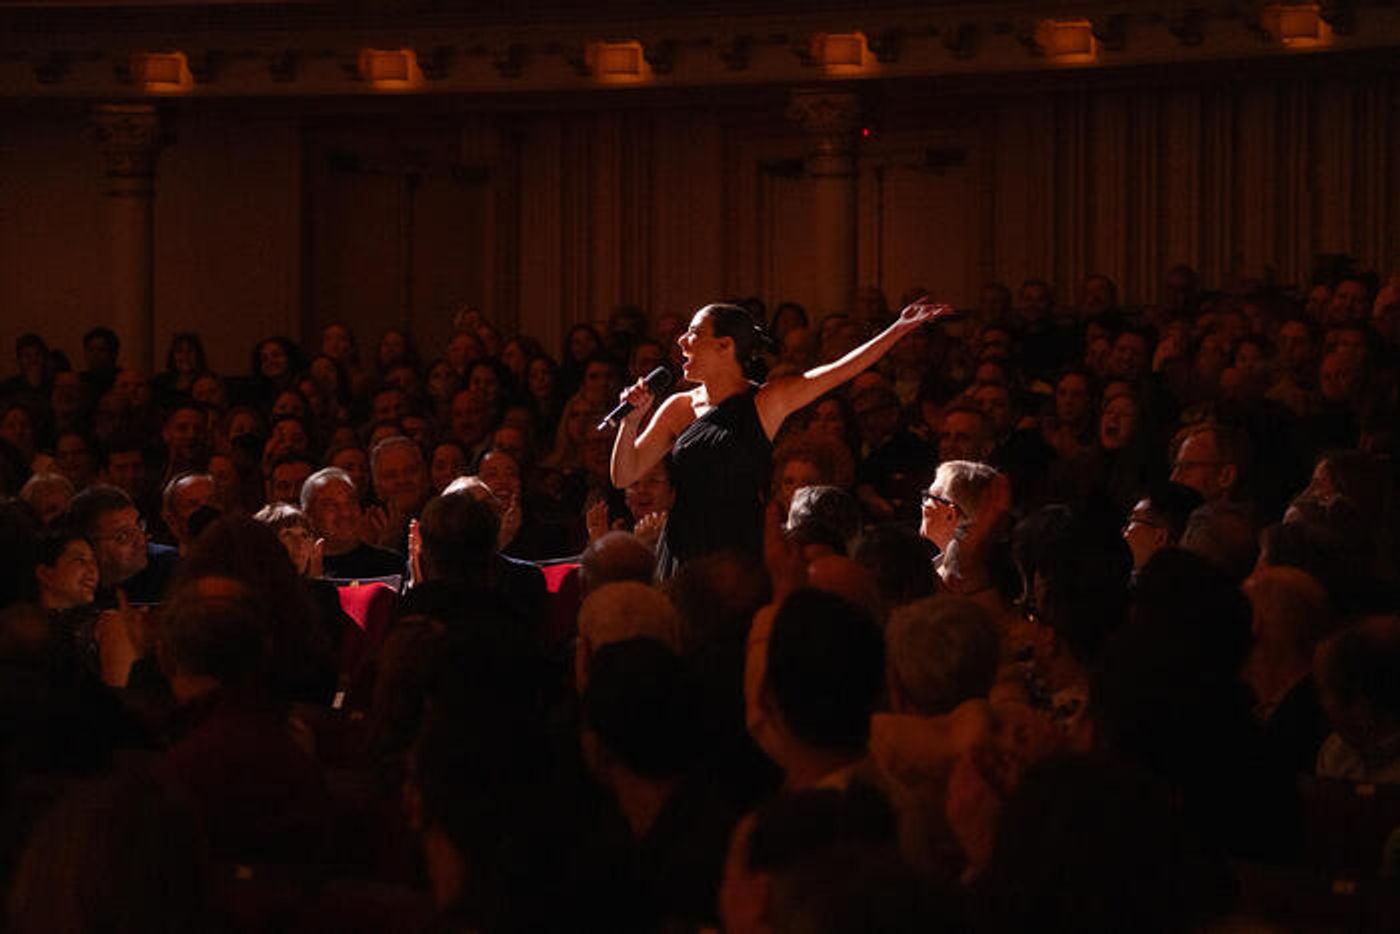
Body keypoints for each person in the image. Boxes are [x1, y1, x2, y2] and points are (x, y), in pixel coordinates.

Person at [611, 299, 951, 577]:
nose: (681, 342)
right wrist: (631, 422)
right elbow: (623, 474)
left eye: (694, 333)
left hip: (738, 548)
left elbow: (839, 370)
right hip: (683, 547)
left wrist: (898, 329)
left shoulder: (765, 403)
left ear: (725, 345)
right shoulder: (678, 406)